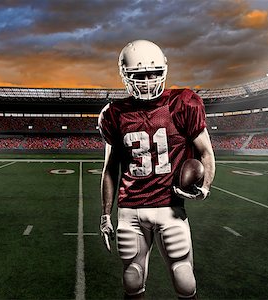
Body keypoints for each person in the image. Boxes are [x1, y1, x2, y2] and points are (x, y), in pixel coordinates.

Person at [98, 40, 215, 299]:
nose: (148, 80)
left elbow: (206, 151)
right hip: (130, 209)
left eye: (153, 73)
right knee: (132, 278)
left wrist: (205, 186)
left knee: (184, 278)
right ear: (126, 76)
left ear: (163, 70)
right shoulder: (114, 113)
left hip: (169, 205)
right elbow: (109, 169)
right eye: (140, 75)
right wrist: (106, 214)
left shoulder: (183, 102)